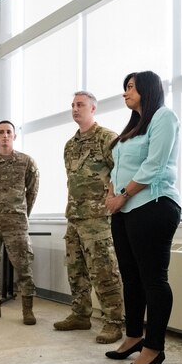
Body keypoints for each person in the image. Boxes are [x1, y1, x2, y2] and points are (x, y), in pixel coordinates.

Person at [104, 71, 181, 364]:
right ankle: (133, 336)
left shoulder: (164, 117)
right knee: (131, 277)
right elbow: (117, 166)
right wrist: (112, 192)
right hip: (124, 210)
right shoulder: (134, 126)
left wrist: (121, 195)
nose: (125, 93)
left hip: (154, 205)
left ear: (147, 89)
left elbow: (154, 165)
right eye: (125, 88)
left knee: (153, 279)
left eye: (131, 87)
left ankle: (153, 347)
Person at [53, 91, 125, 344]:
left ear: (93, 109)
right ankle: (80, 314)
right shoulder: (70, 145)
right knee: (76, 269)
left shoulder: (108, 138)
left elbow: (121, 171)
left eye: (80, 105)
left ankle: (114, 322)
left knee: (104, 270)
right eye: (72, 105)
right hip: (74, 215)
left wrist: (114, 197)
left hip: (98, 218)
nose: (75, 109)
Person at [0, 120, 40, 324]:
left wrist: (21, 212)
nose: (5, 136)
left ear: (14, 136)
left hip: (17, 224)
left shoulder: (26, 162)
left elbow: (32, 190)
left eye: (8, 132)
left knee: (24, 268)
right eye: (1, 132)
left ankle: (27, 310)